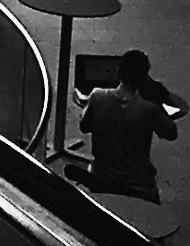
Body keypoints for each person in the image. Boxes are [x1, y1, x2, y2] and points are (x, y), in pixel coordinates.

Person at [76, 51, 184, 204]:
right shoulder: (149, 109)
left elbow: (84, 126)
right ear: (143, 78)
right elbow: (171, 133)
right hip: (138, 185)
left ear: (118, 72)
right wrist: (157, 101)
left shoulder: (97, 96)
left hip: (101, 179)